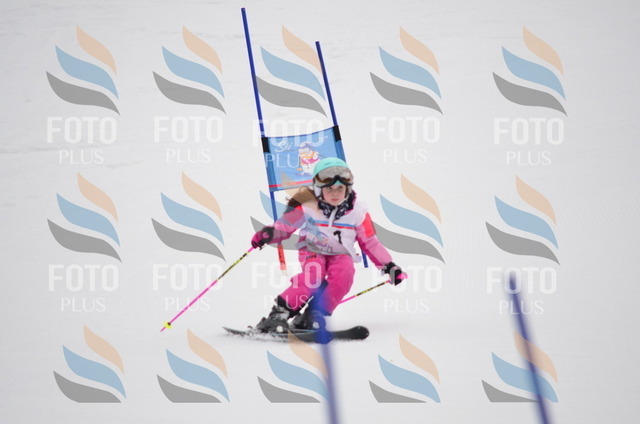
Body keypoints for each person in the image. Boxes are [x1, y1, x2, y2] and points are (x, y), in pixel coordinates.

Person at [250, 157, 406, 333]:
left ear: (348, 189)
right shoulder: (308, 206)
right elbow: (285, 226)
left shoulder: (358, 212)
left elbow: (369, 242)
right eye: (329, 189)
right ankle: (278, 315)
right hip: (312, 249)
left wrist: (388, 265)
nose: (335, 194)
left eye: (340, 188)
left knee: (344, 274)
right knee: (313, 276)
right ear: (318, 189)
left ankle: (313, 315)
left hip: (341, 253)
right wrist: (269, 234)